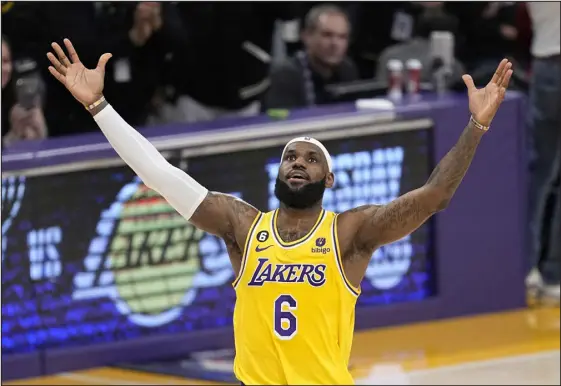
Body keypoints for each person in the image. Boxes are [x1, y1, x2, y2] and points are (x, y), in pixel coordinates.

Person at [47, 38, 512, 385]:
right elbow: (160, 172)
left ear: (329, 180)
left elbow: (434, 196)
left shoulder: (350, 233)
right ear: (278, 168)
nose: (299, 164)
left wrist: (476, 125)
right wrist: (98, 106)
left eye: (312, 160)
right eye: (292, 156)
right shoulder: (243, 226)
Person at [263, 4, 359, 110]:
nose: (335, 44)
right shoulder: (286, 75)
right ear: (306, 36)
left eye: (342, 37)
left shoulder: (348, 69)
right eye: (327, 35)